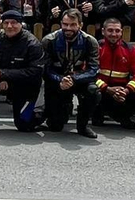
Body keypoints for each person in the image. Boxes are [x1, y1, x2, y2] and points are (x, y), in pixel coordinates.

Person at [0, 9, 44, 132]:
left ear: (21, 24)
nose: (9, 26)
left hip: (24, 86)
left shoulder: (32, 43)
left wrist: (5, 75)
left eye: (14, 23)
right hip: (0, 79)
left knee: (24, 125)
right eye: (6, 23)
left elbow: (34, 72)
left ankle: (43, 113)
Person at [42, 8, 100, 137]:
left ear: (80, 25)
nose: (68, 28)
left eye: (73, 25)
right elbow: (45, 69)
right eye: (65, 24)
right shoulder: (49, 41)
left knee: (93, 90)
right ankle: (60, 110)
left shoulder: (90, 41)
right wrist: (60, 80)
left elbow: (93, 70)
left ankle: (83, 126)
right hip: (57, 81)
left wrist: (74, 79)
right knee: (55, 126)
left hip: (79, 79)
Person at [92, 16, 135, 128]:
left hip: (123, 91)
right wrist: (106, 89)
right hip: (102, 91)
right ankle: (98, 113)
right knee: (90, 90)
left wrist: (127, 90)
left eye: (117, 31)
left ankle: (122, 116)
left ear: (121, 32)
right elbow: (87, 72)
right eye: (110, 30)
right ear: (103, 31)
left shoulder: (131, 50)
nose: (114, 34)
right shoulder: (96, 48)